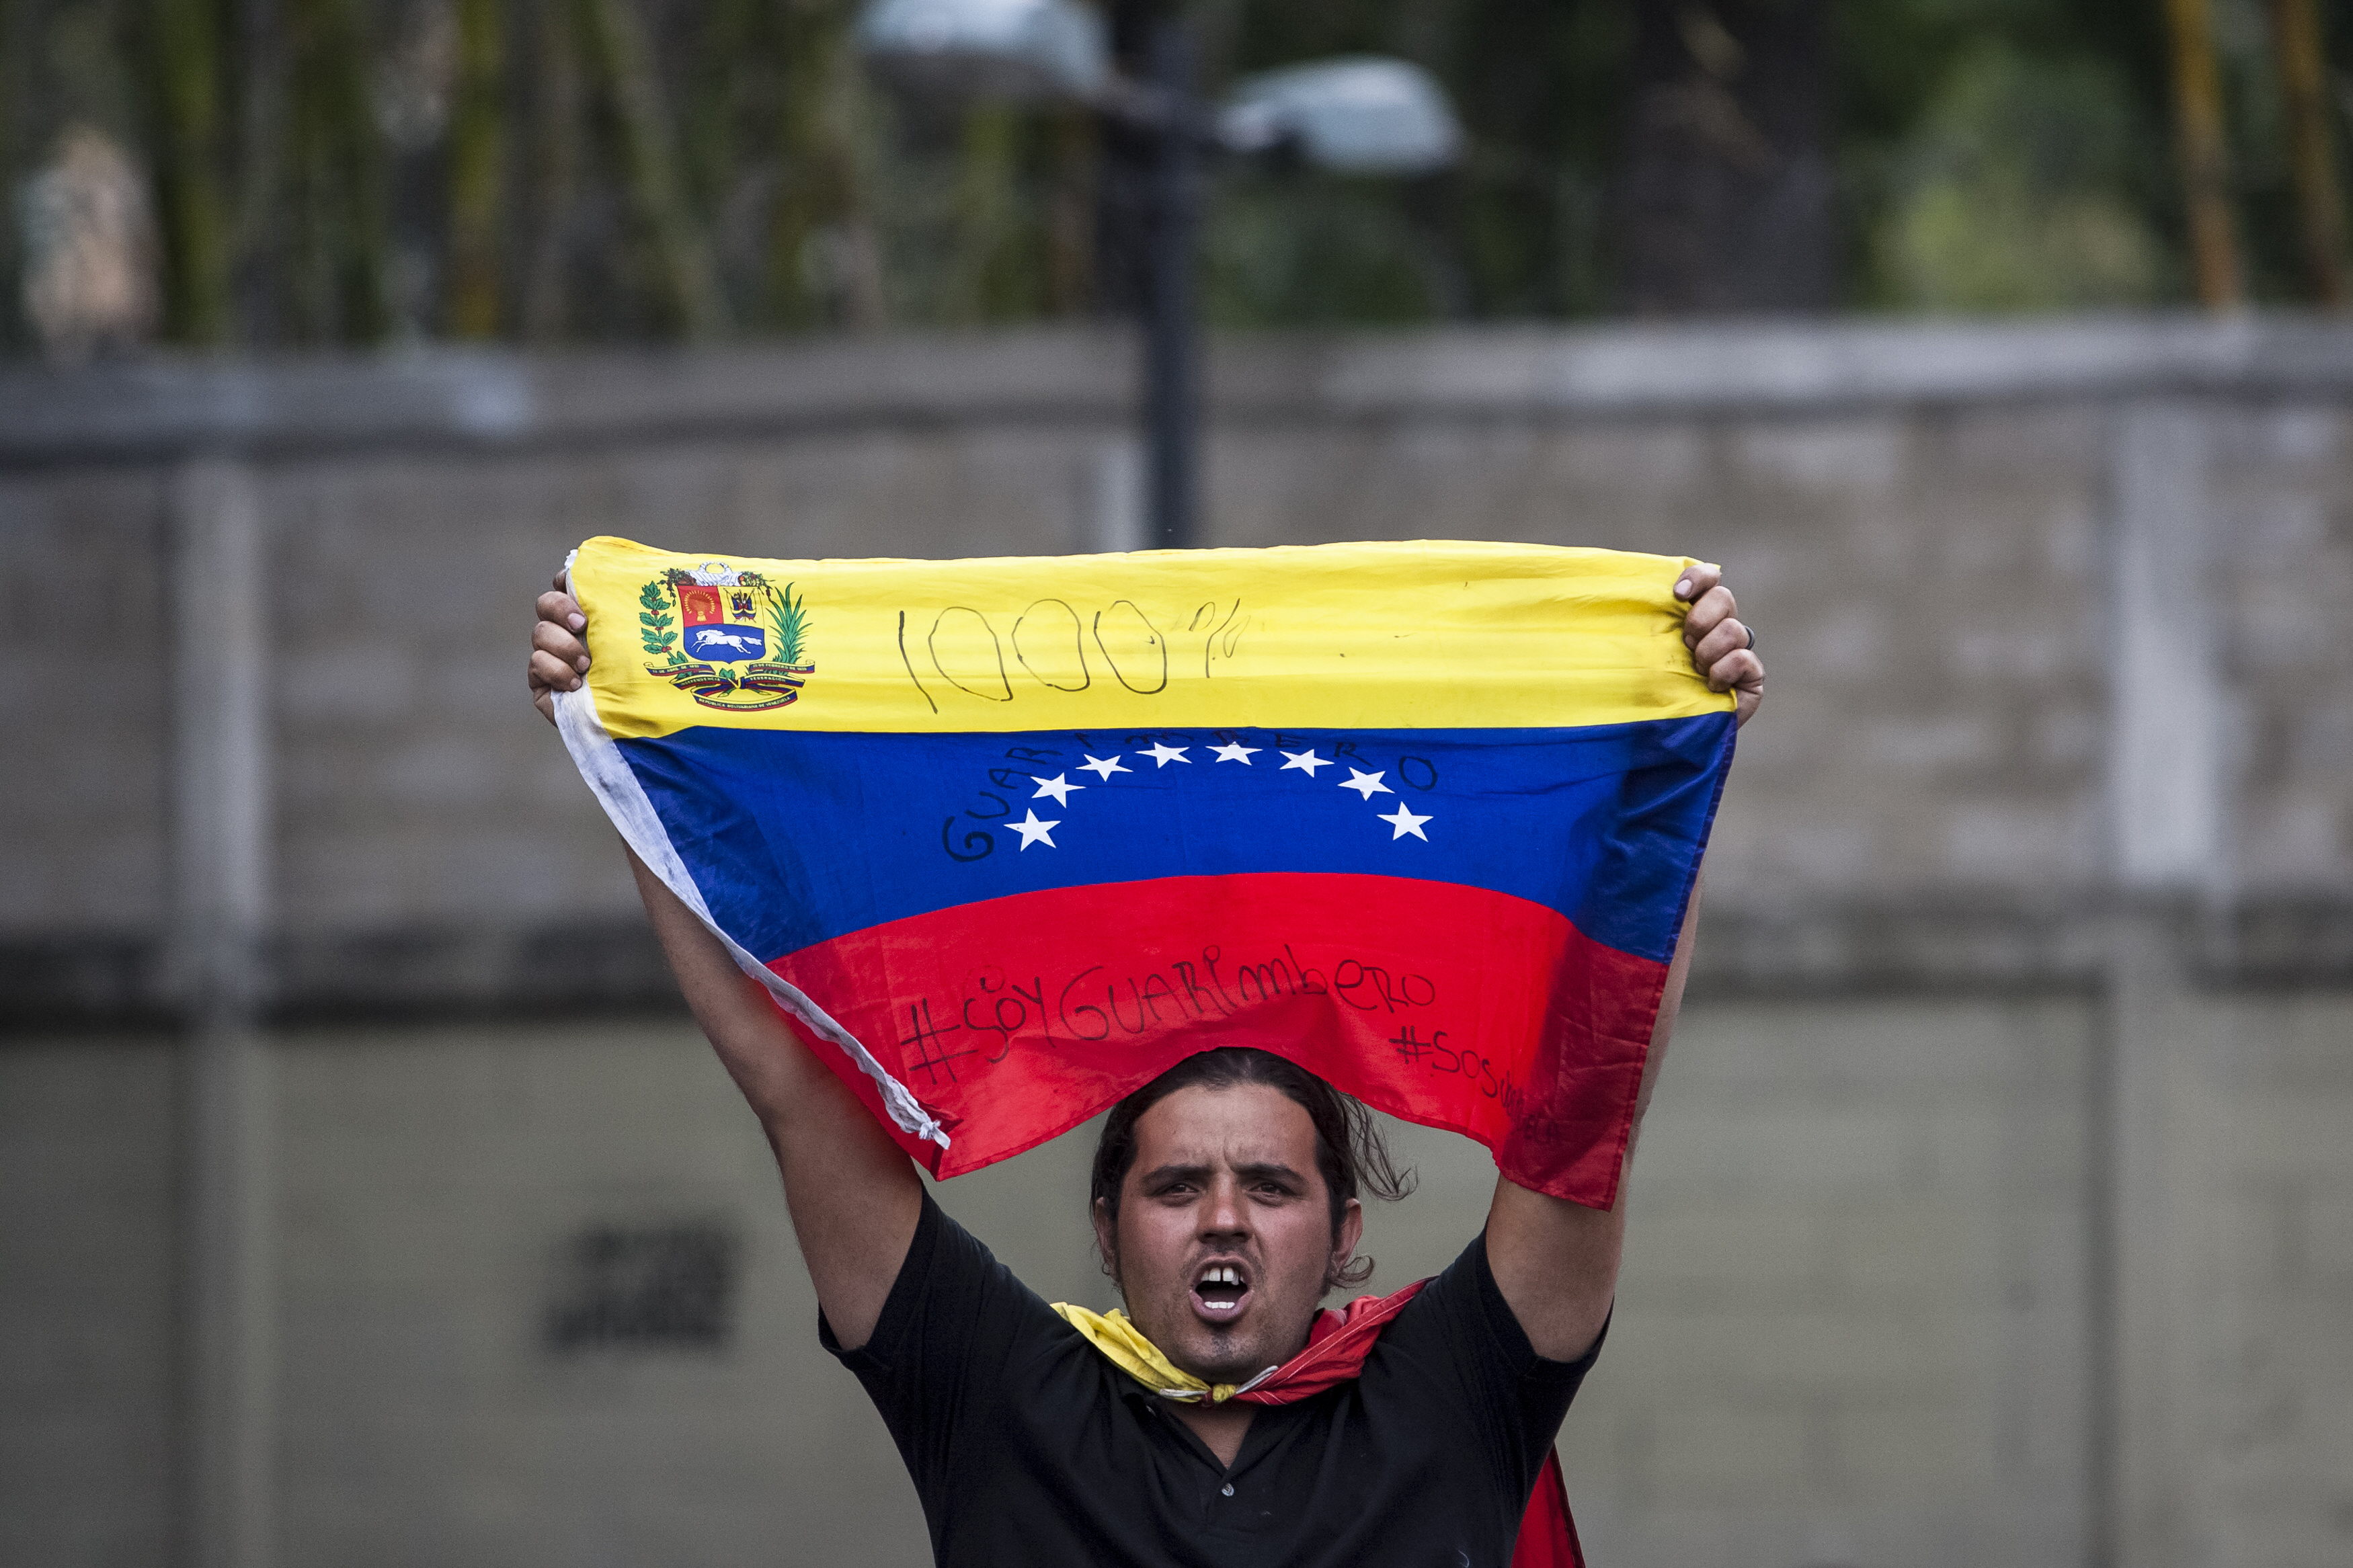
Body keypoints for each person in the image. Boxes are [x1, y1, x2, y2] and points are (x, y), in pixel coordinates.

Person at [528, 562, 1762, 1567]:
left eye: (1270, 1187)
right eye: (1177, 1187)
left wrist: (1682, 745)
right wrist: (623, 747)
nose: (1223, 1217)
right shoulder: (1000, 1398)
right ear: (1107, 1226)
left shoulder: (1451, 1397)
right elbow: (799, 1091)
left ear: (1343, 1231)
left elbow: (1589, 1097)